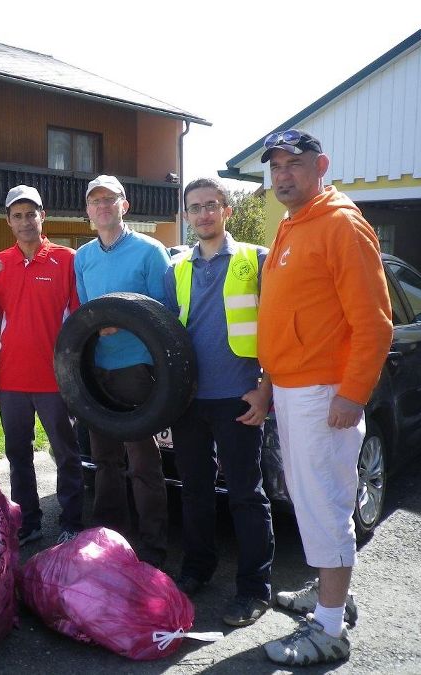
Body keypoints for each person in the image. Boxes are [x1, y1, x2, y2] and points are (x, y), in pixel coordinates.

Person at [257, 130, 392, 665]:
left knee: (326, 504)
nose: (283, 174)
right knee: (309, 499)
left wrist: (353, 393)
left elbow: (375, 324)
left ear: (321, 165)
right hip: (294, 388)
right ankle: (330, 592)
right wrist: (270, 381)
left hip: (324, 392)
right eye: (276, 167)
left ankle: (330, 628)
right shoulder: (294, 224)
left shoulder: (341, 224)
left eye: (295, 163)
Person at [163, 177, 274, 627]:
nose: (204, 214)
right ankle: (197, 569)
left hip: (239, 399)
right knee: (195, 492)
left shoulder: (257, 259)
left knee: (247, 495)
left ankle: (254, 589)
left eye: (212, 205)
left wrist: (266, 390)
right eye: (195, 207)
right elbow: (168, 334)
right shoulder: (179, 269)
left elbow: (279, 330)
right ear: (187, 216)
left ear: (227, 209)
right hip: (190, 401)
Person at [73, 175, 171, 568]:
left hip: (137, 368)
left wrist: (122, 322)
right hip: (98, 370)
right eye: (94, 202)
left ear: (124, 205)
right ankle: (110, 538)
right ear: (88, 211)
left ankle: (152, 545)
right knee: (105, 458)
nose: (102, 207)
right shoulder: (83, 257)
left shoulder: (151, 251)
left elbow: (165, 312)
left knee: (143, 459)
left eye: (109, 200)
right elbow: (84, 311)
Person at [0, 185, 84, 547]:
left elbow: (78, 320)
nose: (25, 221)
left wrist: (74, 375)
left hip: (55, 379)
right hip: (11, 378)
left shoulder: (67, 259)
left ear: (43, 216)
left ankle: (72, 520)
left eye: (32, 213)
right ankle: (28, 522)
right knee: (18, 454)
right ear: (8, 221)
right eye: (18, 215)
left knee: (65, 452)